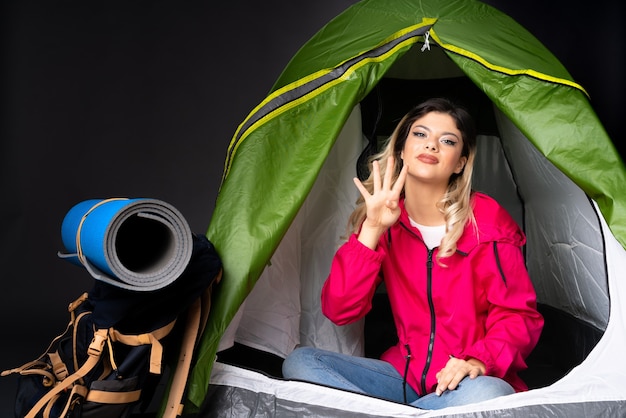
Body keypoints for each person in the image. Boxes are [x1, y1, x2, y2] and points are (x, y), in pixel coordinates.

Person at [282, 97, 544, 410]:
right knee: (300, 363)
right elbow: (339, 309)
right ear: (402, 149)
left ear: (460, 161)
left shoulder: (486, 219)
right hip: (403, 378)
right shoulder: (387, 220)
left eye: (447, 141)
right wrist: (372, 229)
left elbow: (518, 315)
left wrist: (477, 361)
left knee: (490, 397)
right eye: (420, 134)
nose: (431, 145)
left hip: (464, 382)